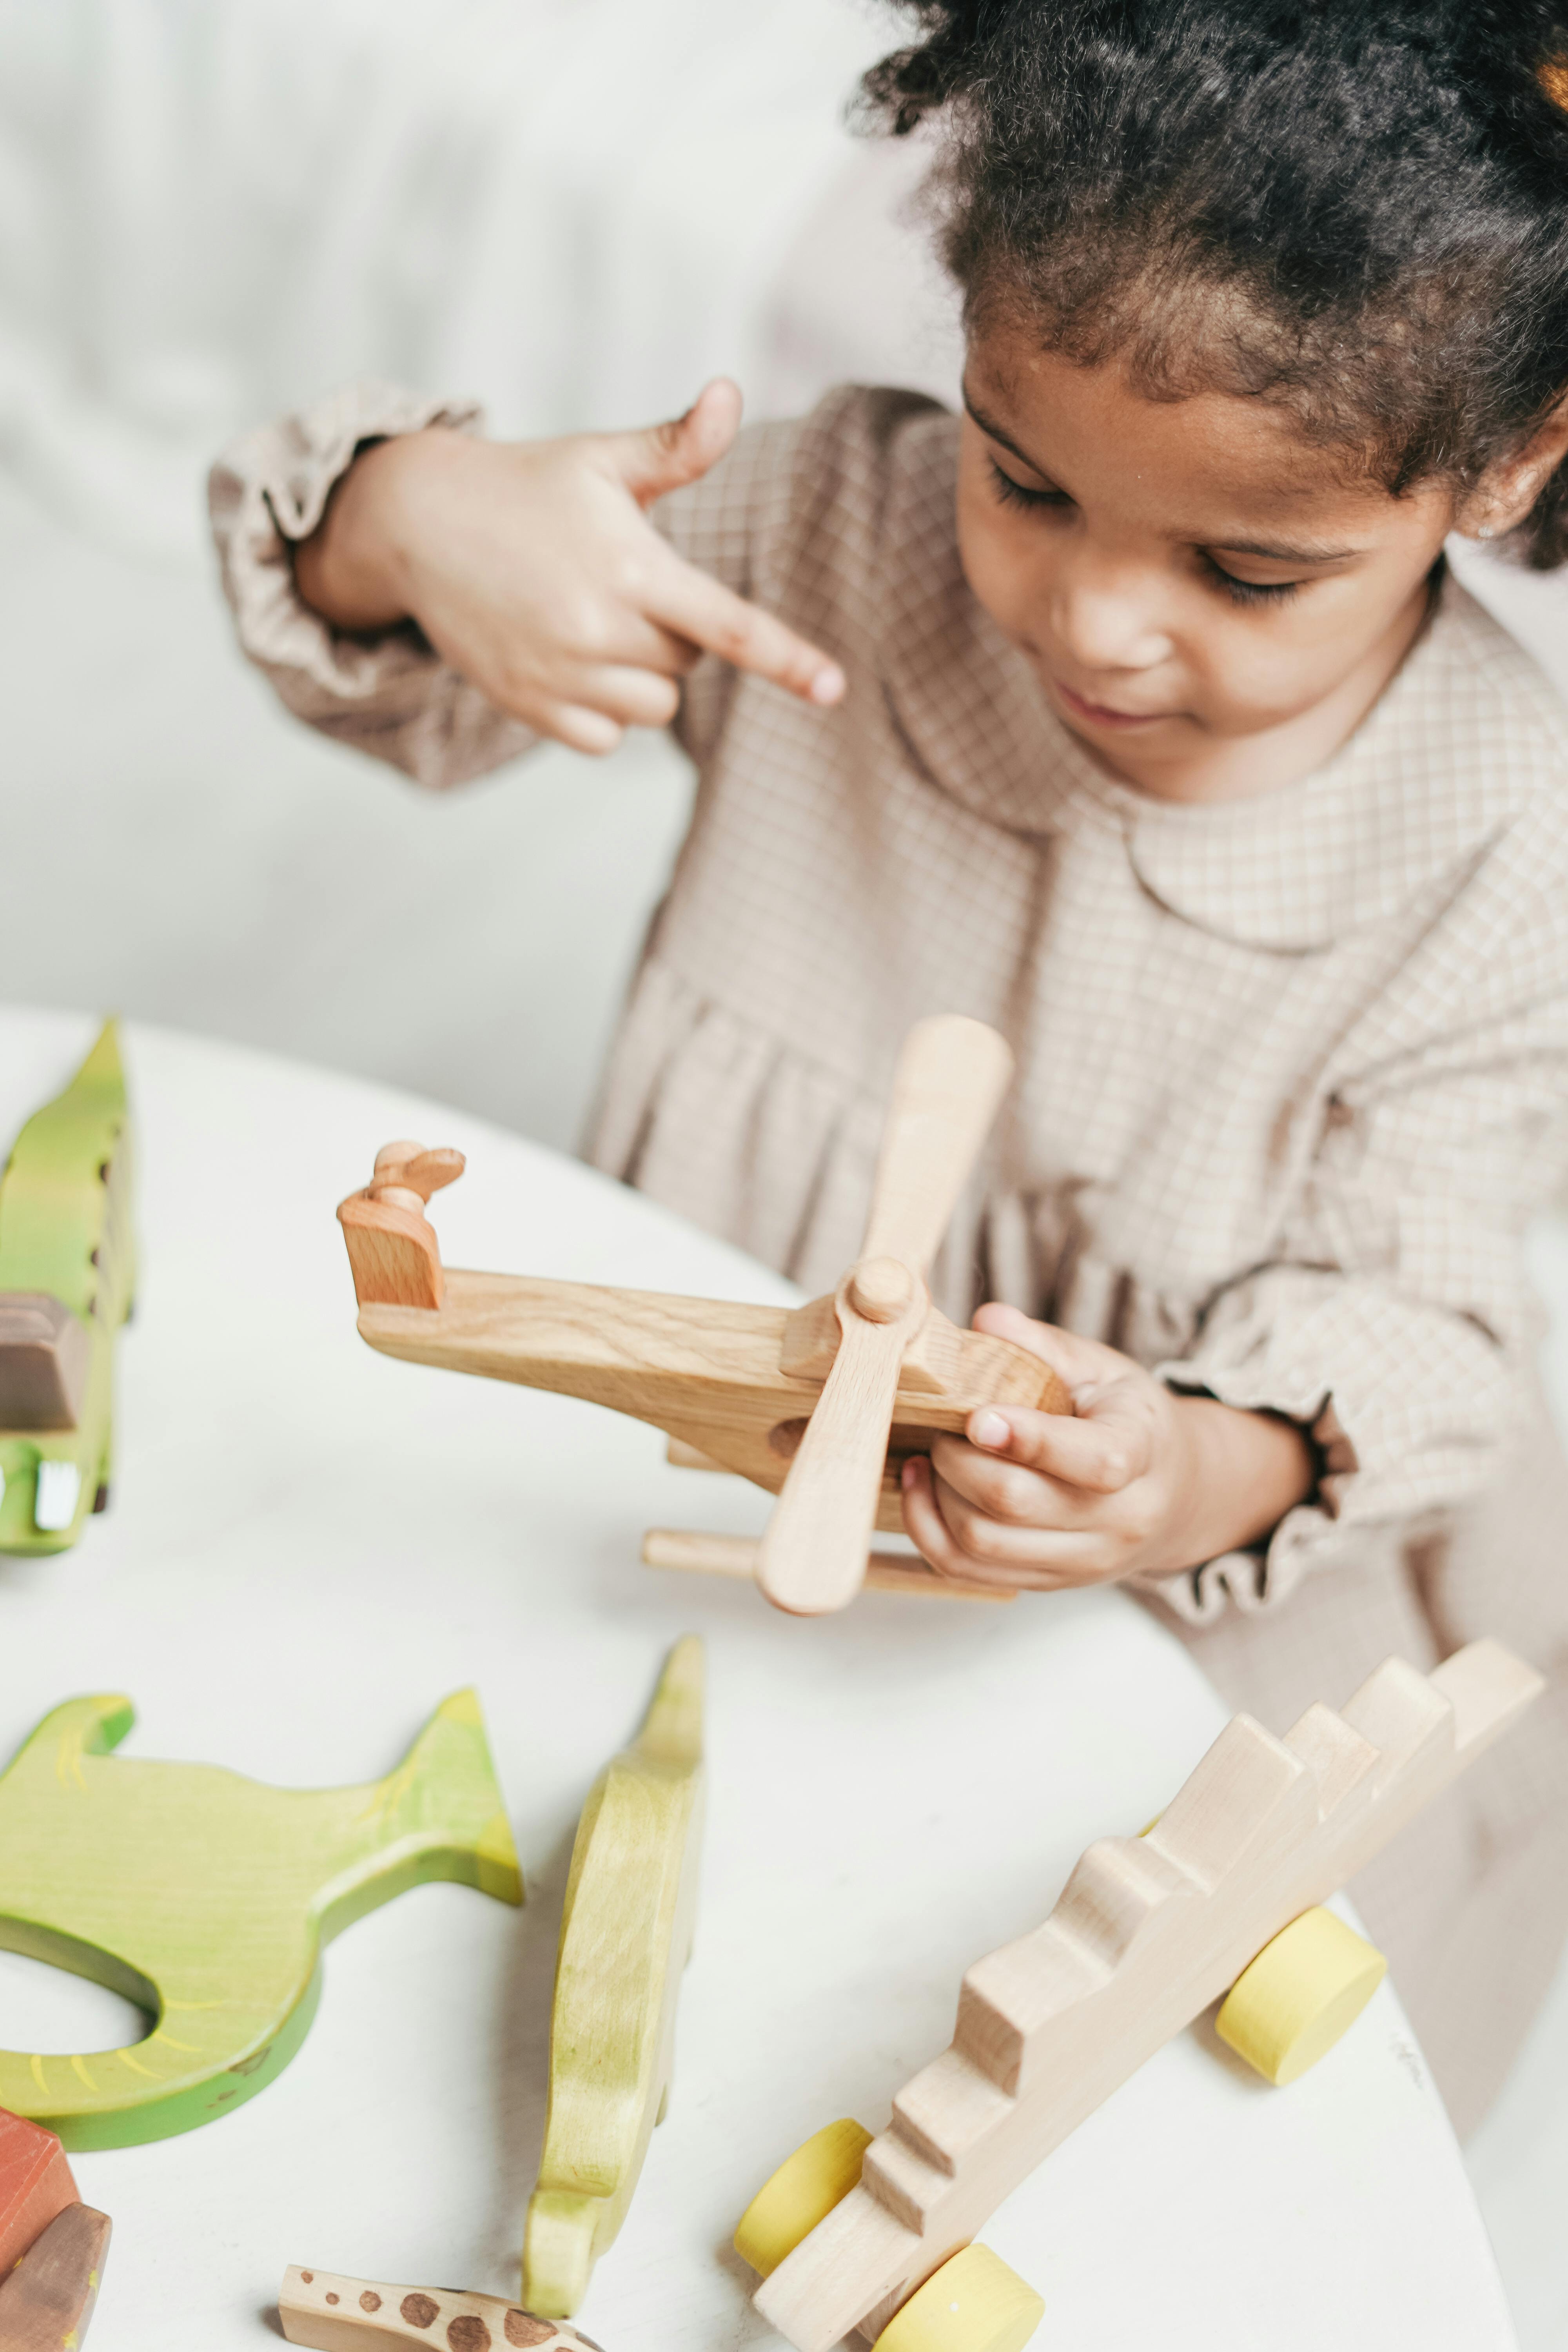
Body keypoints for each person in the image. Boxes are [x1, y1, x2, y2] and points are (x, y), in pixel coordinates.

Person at [210, 0, 1568, 2132]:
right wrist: (416, 515)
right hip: (747, 1462)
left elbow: (1418, 1318)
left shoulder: (1505, 824)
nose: (1097, 624)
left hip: (1202, 1584)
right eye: (1026, 478)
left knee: (1075, 2074)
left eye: (1247, 568)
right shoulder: (842, 517)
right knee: (651, 1970)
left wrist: (1182, 1473)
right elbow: (416, 655)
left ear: (1503, 470)